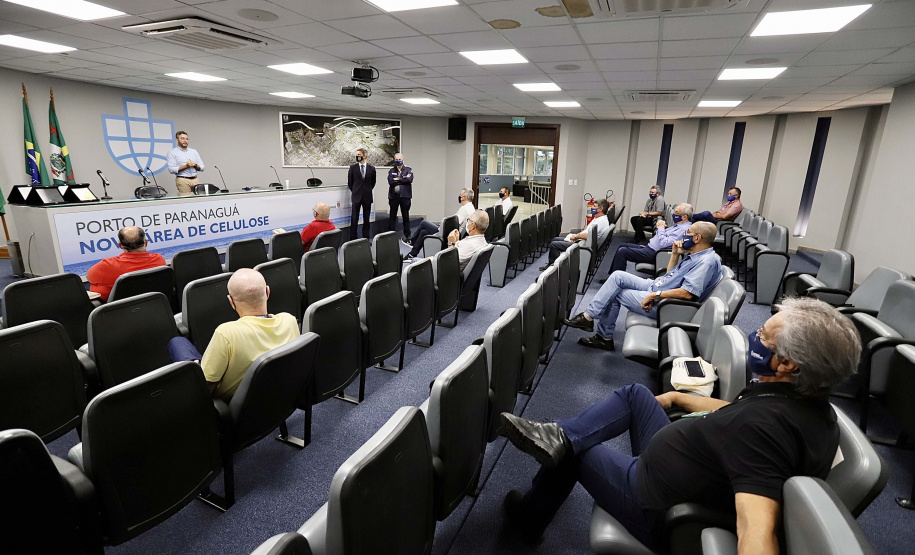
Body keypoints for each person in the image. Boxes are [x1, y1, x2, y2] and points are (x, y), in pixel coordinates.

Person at [499, 296, 861, 552]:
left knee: (576, 451)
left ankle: (530, 518)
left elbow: (757, 528)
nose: (755, 336)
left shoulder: (765, 431)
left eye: (764, 335)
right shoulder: (804, 403)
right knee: (635, 394)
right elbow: (736, 411)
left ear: (789, 364)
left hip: (652, 499)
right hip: (682, 467)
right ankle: (558, 435)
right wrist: (677, 397)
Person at [564, 221, 721, 351]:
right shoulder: (696, 255)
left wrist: (655, 295)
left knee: (615, 293)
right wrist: (675, 254)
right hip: (657, 286)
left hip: (665, 304)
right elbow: (670, 275)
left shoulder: (705, 262)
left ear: (697, 238)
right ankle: (588, 317)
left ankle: (603, 337)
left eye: (687, 233)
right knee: (618, 276)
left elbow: (687, 293)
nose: (684, 235)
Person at [167, 269, 299, 402]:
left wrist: (196, 366)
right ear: (267, 292)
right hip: (280, 397)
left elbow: (206, 386)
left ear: (231, 301)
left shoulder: (226, 333)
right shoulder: (289, 321)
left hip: (233, 407)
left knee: (177, 343)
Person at [600, 203, 693, 281]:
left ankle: (616, 279)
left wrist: (661, 228)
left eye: (676, 213)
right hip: (650, 248)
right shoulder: (678, 226)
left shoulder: (683, 229)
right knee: (622, 246)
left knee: (622, 252)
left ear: (684, 217)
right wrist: (661, 228)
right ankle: (612, 276)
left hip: (655, 253)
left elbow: (664, 243)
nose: (674, 215)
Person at [86, 226, 165, 302]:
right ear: (146, 243)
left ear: (120, 245)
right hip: (154, 304)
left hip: (119, 308)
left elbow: (89, 278)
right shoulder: (159, 259)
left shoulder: (107, 265)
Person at [404, 188, 476, 261]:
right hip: (454, 233)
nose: (459, 197)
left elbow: (454, 224)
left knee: (424, 223)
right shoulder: (471, 207)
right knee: (423, 232)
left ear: (465, 197)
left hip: (449, 234)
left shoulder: (464, 209)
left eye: (460, 195)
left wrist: (441, 226)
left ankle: (411, 242)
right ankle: (412, 254)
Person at [540, 198, 611, 271]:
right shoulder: (598, 218)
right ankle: (554, 264)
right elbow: (587, 232)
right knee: (555, 239)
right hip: (582, 241)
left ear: (600, 209)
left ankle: (557, 268)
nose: (592, 208)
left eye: (594, 206)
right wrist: (577, 235)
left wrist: (575, 237)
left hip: (582, 245)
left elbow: (588, 235)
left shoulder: (601, 221)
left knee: (554, 245)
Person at [347, 147, 376, 240]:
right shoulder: (352, 168)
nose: (357, 156)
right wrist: (356, 191)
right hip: (356, 196)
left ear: (365, 156)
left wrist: (366, 190)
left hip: (367, 196)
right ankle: (353, 238)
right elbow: (350, 183)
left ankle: (366, 238)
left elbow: (373, 183)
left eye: (359, 155)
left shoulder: (372, 168)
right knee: (354, 218)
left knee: (366, 219)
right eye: (357, 155)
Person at [166, 131, 204, 196]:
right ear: (177, 140)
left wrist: (195, 165)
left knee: (198, 200)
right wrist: (186, 166)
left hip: (195, 180)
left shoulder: (193, 151)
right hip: (183, 180)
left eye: (186, 139)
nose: (185, 141)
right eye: (182, 138)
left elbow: (202, 167)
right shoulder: (172, 152)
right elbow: (171, 169)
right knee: (186, 200)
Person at [387, 152, 414, 244]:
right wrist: (403, 178)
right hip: (393, 197)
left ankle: (408, 236)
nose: (398, 161)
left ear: (403, 160)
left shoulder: (408, 170)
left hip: (405, 197)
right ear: (394, 160)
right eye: (396, 160)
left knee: (405, 216)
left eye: (400, 159)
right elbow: (390, 181)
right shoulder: (391, 170)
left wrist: (397, 178)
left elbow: (409, 180)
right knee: (392, 216)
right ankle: (390, 236)